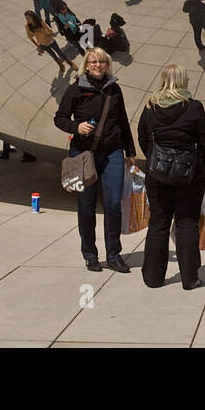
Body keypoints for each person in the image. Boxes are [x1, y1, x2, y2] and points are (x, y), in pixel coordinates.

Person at [54, 48, 137, 273]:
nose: (97, 65)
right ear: (86, 66)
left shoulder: (114, 89)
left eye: (101, 61)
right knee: (86, 205)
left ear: (107, 64)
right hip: (83, 154)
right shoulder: (76, 89)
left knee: (112, 204)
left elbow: (123, 121)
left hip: (112, 153)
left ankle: (113, 255)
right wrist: (76, 127)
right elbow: (60, 118)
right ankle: (90, 255)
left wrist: (130, 151)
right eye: (93, 62)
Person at [138, 64, 205, 290]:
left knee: (158, 224)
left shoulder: (150, 106)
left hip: (158, 173)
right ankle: (190, 278)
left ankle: (153, 278)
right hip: (190, 174)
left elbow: (143, 138)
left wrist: (155, 159)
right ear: (183, 81)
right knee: (187, 222)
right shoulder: (194, 107)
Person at [27, 10, 76, 75]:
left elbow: (48, 28)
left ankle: (70, 63)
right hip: (43, 44)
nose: (27, 20)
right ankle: (60, 65)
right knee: (53, 55)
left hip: (51, 41)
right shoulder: (27, 26)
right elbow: (30, 37)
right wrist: (37, 46)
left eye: (28, 18)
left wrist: (50, 33)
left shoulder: (40, 21)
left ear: (33, 17)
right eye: (26, 18)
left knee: (60, 53)